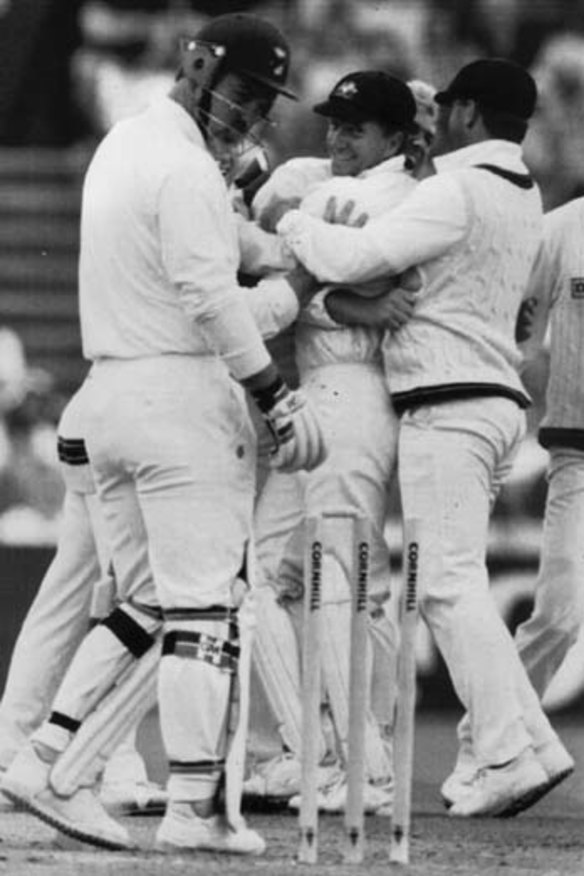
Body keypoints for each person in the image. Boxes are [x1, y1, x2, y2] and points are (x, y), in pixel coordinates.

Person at [2, 12, 326, 856]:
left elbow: (228, 246)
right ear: (198, 66)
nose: (251, 114)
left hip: (107, 395)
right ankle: (153, 797)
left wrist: (297, 250)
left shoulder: (127, 143)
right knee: (204, 614)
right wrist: (275, 394)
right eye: (245, 92)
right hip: (179, 401)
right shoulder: (183, 168)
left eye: (263, 101)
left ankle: (48, 762)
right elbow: (210, 293)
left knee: (148, 607)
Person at [275, 57, 574, 818]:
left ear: (470, 113)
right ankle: (530, 742)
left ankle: (507, 749)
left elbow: (351, 257)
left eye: (448, 108)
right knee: (452, 578)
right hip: (490, 396)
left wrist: (293, 222)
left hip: (450, 398)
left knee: (443, 582)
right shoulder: (523, 186)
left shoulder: (455, 188)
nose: (437, 119)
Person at [242, 73, 436, 815]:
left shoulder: (402, 196)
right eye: (334, 125)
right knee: (270, 570)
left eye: (356, 129)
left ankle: (371, 760)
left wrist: (320, 272)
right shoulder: (330, 187)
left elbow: (321, 266)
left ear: (394, 137)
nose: (337, 139)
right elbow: (311, 277)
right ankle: (306, 749)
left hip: (357, 389)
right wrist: (339, 294)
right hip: (314, 392)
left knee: (347, 575)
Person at [441, 194, 584, 809]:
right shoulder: (565, 227)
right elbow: (507, 309)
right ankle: (485, 747)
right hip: (580, 448)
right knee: (560, 614)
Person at [0, 382, 168, 818]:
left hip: (92, 413)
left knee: (66, 593)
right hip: (132, 413)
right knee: (131, 597)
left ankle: (9, 746)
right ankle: (114, 766)